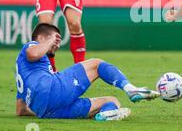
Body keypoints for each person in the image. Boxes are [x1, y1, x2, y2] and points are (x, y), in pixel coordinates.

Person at [15, 23, 159, 120]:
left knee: (112, 101)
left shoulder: (25, 74)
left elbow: (20, 110)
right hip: (54, 90)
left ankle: (104, 116)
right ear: (41, 38)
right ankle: (131, 89)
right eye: (56, 40)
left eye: (57, 41)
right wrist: (49, 40)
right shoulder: (31, 46)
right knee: (97, 64)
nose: (57, 45)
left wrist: (43, 107)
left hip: (48, 111)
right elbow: (33, 54)